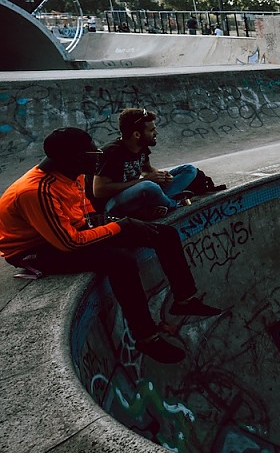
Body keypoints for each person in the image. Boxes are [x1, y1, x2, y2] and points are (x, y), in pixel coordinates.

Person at [0, 127, 220, 363]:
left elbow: (87, 216)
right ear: (72, 158)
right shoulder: (37, 191)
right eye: (91, 152)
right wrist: (120, 227)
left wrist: (124, 222)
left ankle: (184, 300)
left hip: (65, 234)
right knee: (119, 261)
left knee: (163, 234)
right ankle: (146, 338)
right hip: (35, 250)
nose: (98, 154)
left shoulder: (72, 174)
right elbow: (68, 243)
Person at [94, 108, 198, 220]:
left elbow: (147, 170)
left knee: (189, 170)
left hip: (139, 194)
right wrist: (144, 180)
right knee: (149, 186)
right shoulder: (111, 152)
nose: (156, 133)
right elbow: (98, 190)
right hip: (112, 205)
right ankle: (174, 203)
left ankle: (157, 203)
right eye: (152, 130)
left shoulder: (141, 146)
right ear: (137, 134)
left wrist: (161, 176)